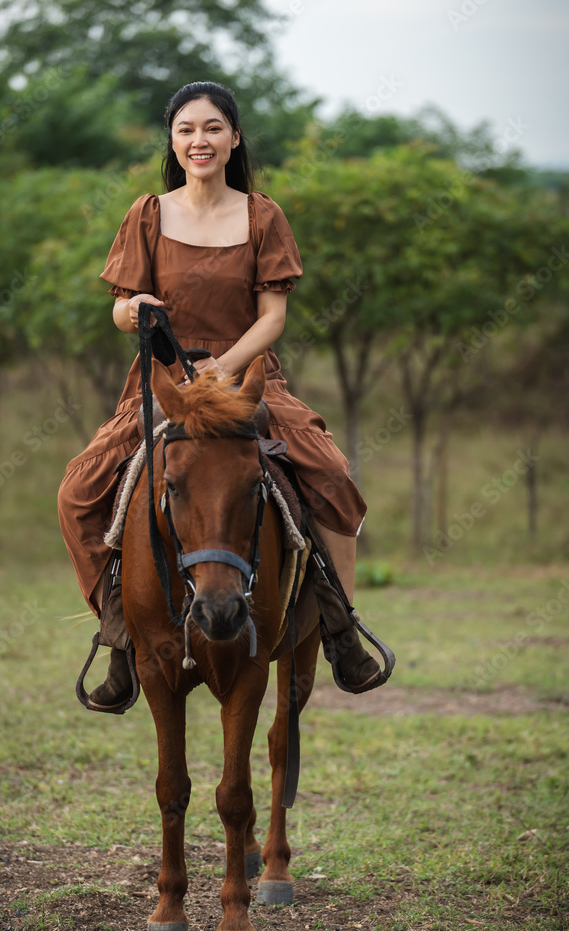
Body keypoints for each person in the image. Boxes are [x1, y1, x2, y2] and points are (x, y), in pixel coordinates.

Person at [58, 81, 386, 713]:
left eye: (212, 128)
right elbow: (122, 309)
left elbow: (271, 320)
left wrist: (217, 373)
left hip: (248, 380)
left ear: (234, 138)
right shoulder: (147, 214)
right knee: (77, 494)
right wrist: (136, 314)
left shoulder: (263, 215)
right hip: (162, 385)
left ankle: (342, 629)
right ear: (173, 141)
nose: (199, 140)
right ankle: (121, 633)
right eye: (186, 129)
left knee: (334, 476)